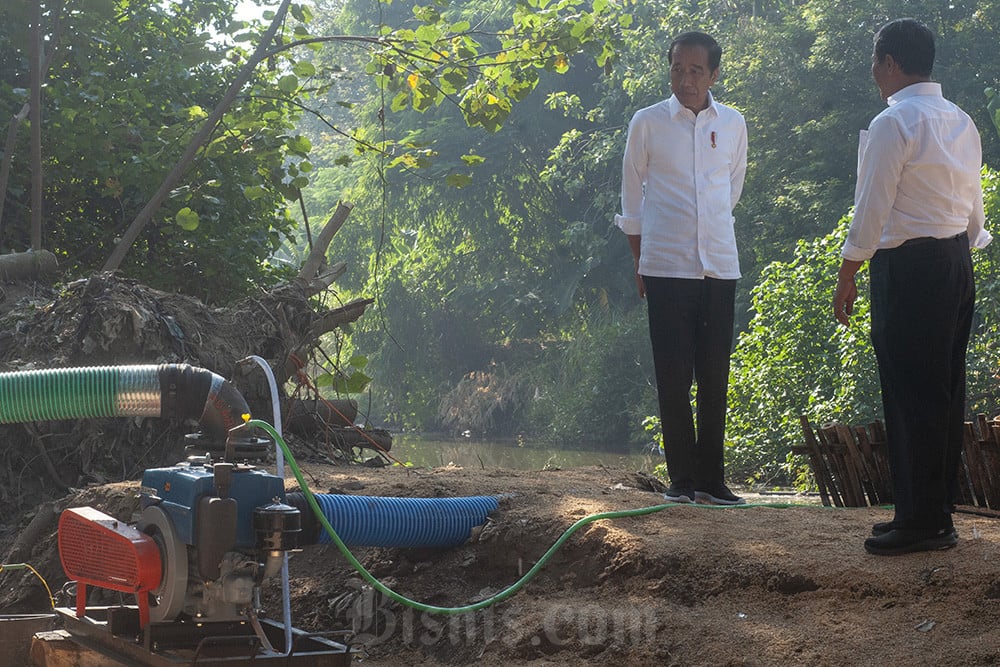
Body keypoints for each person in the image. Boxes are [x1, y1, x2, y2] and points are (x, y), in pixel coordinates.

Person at [833, 18, 991, 555]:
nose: (873, 72)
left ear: (890, 64)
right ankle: (931, 512)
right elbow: (973, 202)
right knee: (943, 390)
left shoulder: (894, 123)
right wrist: (961, 251)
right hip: (954, 261)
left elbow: (872, 206)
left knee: (909, 392)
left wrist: (849, 270)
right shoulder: (959, 120)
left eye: (875, 62)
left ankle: (921, 522)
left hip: (910, 268)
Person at [614, 31, 748, 505]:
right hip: (666, 265)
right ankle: (682, 480)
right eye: (676, 69)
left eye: (695, 71)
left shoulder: (732, 123)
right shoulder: (647, 123)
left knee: (715, 373)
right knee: (674, 373)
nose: (685, 79)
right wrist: (639, 260)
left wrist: (706, 229)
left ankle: (713, 479)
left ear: (713, 74)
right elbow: (631, 199)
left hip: (719, 264)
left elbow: (731, 189)